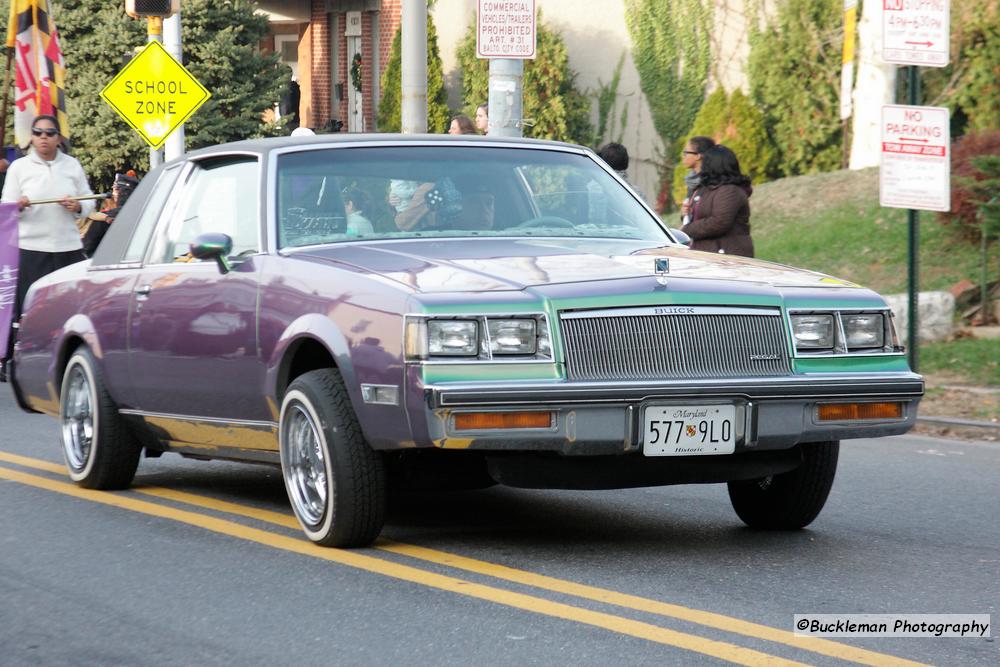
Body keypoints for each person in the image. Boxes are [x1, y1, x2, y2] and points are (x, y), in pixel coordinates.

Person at [1, 114, 94, 377]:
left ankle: (65, 357)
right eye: (38, 133)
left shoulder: (72, 165)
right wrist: (17, 205)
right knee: (27, 307)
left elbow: (89, 202)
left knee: (69, 305)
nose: (43, 138)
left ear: (58, 138)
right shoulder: (20, 168)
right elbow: (6, 205)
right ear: (31, 137)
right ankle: (14, 359)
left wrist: (78, 206)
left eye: (50, 133)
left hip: (67, 247)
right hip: (31, 248)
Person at [681, 144, 754, 257]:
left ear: (714, 165)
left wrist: (687, 230)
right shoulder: (704, 189)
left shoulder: (731, 191)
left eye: (706, 162)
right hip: (707, 254)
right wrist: (687, 213)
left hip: (728, 256)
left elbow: (719, 222)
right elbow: (698, 217)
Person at [81, 171, 139, 257]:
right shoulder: (142, 216)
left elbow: (87, 248)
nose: (113, 193)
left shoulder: (104, 218)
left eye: (116, 189)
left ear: (122, 191)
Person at [679, 136, 716, 224]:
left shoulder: (713, 181)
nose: (683, 156)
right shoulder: (692, 181)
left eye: (686, 153)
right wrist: (684, 214)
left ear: (698, 156)